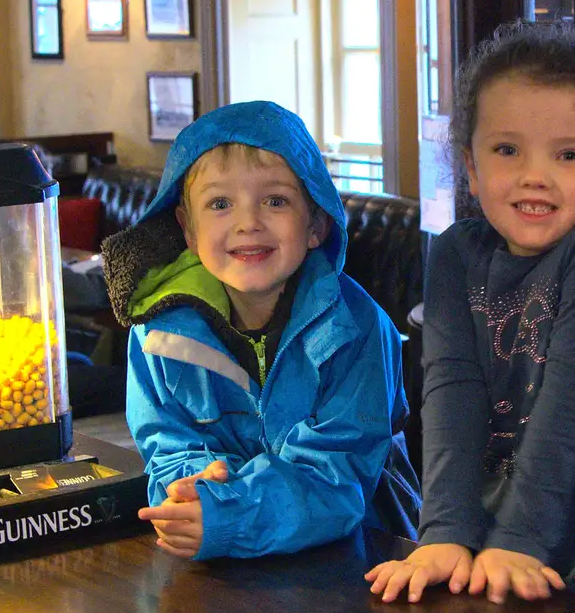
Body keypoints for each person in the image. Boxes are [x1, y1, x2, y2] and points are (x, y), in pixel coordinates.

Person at [366, 20, 575, 613]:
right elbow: (450, 393)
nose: (535, 175)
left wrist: (519, 538)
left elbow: (574, 395)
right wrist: (445, 532)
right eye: (507, 149)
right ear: (471, 165)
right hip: (497, 559)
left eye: (569, 154)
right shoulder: (458, 252)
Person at [101, 100, 420, 560]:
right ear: (188, 229)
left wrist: (230, 510)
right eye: (220, 203)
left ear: (316, 222)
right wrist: (193, 492)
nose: (248, 223)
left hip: (362, 560)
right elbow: (167, 448)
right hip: (221, 565)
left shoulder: (359, 330)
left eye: (275, 201)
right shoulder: (158, 335)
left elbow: (338, 478)